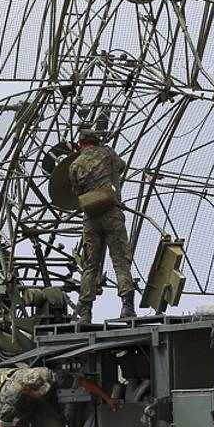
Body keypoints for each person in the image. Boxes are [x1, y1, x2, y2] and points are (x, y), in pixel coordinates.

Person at [68, 129, 135, 322]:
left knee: (90, 266)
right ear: (96, 141)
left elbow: (76, 191)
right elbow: (121, 167)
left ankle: (85, 312)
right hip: (112, 214)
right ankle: (127, 307)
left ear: (80, 144)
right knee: (121, 262)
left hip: (91, 217)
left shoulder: (75, 164)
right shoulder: (108, 153)